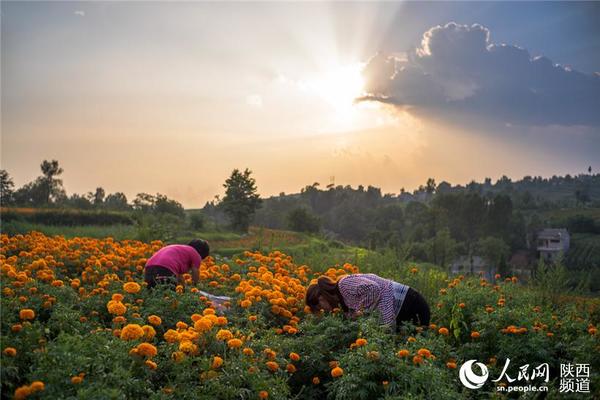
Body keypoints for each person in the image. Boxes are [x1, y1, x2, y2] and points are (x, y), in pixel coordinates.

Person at [305, 273, 430, 331]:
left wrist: (361, 312)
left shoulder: (343, 284)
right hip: (401, 308)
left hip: (409, 302)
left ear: (321, 297)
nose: (323, 310)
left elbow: (372, 288)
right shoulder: (343, 303)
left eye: (319, 307)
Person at [144, 239, 231, 312]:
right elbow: (195, 271)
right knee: (171, 302)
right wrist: (194, 287)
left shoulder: (179, 250)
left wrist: (184, 289)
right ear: (202, 254)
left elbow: (179, 277)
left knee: (153, 296)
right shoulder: (195, 253)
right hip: (165, 270)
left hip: (148, 269)